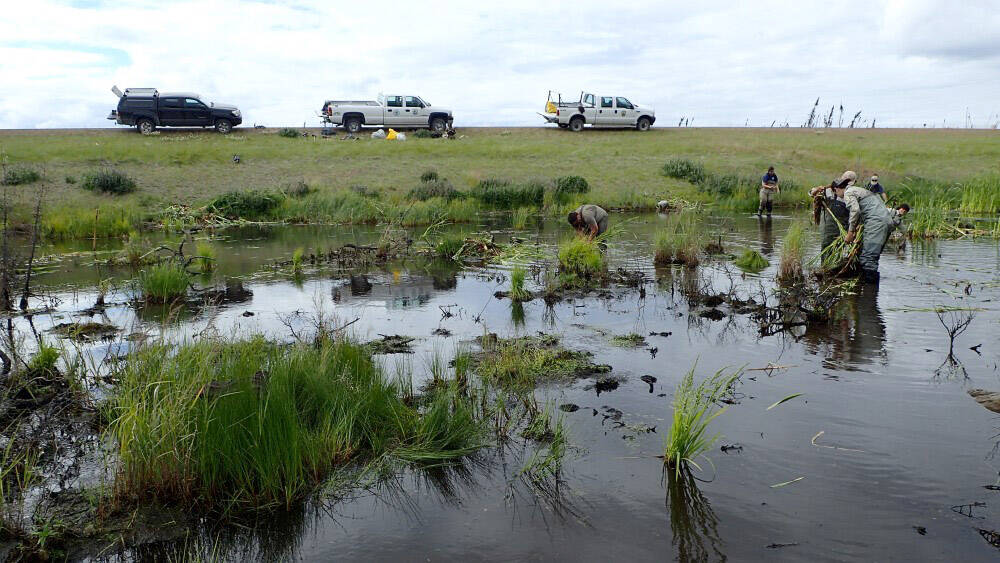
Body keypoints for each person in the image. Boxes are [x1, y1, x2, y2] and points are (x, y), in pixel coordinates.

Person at [843, 172, 909, 283]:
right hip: (884, 224)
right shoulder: (864, 192)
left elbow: (855, 210)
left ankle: (869, 293)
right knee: (872, 257)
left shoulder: (849, 192)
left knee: (868, 258)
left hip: (876, 224)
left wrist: (850, 232)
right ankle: (868, 290)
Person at [808, 172, 852, 255]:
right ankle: (824, 267)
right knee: (825, 251)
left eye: (844, 186)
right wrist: (817, 189)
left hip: (842, 230)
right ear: (835, 188)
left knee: (839, 252)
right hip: (827, 230)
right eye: (841, 186)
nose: (843, 188)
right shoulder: (827, 192)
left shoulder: (849, 195)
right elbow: (811, 193)